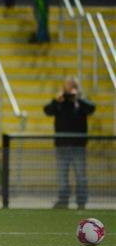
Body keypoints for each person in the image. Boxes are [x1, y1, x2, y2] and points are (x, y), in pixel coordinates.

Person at [44, 77, 95, 210]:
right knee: (62, 175)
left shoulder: (81, 102)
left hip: (78, 145)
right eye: (67, 86)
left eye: (72, 86)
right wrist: (57, 101)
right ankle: (63, 200)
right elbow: (47, 111)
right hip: (62, 145)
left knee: (81, 175)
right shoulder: (59, 102)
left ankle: (81, 202)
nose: (69, 90)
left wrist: (77, 98)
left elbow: (91, 109)